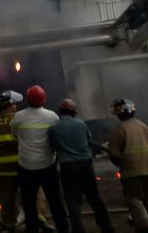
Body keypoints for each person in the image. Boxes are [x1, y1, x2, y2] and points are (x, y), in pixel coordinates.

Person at [47, 99, 114, 233]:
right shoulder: (81, 124)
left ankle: (78, 229)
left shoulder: (53, 129)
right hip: (85, 165)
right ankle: (107, 227)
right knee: (94, 196)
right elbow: (88, 138)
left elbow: (53, 147)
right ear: (74, 112)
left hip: (67, 167)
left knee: (72, 200)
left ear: (61, 111)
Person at [12, 85, 70, 233]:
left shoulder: (18, 117)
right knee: (55, 199)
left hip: (26, 167)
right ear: (44, 100)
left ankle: (32, 229)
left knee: (29, 201)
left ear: (28, 100)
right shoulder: (52, 117)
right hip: (48, 165)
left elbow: (14, 135)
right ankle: (62, 227)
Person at [109, 98, 148, 233]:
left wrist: (116, 158)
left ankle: (145, 227)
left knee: (133, 199)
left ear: (119, 114)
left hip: (133, 171)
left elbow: (115, 154)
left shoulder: (120, 128)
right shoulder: (143, 125)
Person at [0, 90, 23, 231]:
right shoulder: (18, 119)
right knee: (34, 192)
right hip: (20, 165)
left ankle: (9, 222)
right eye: (15, 104)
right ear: (9, 105)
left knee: (7, 195)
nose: (16, 107)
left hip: (2, 167)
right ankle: (38, 217)